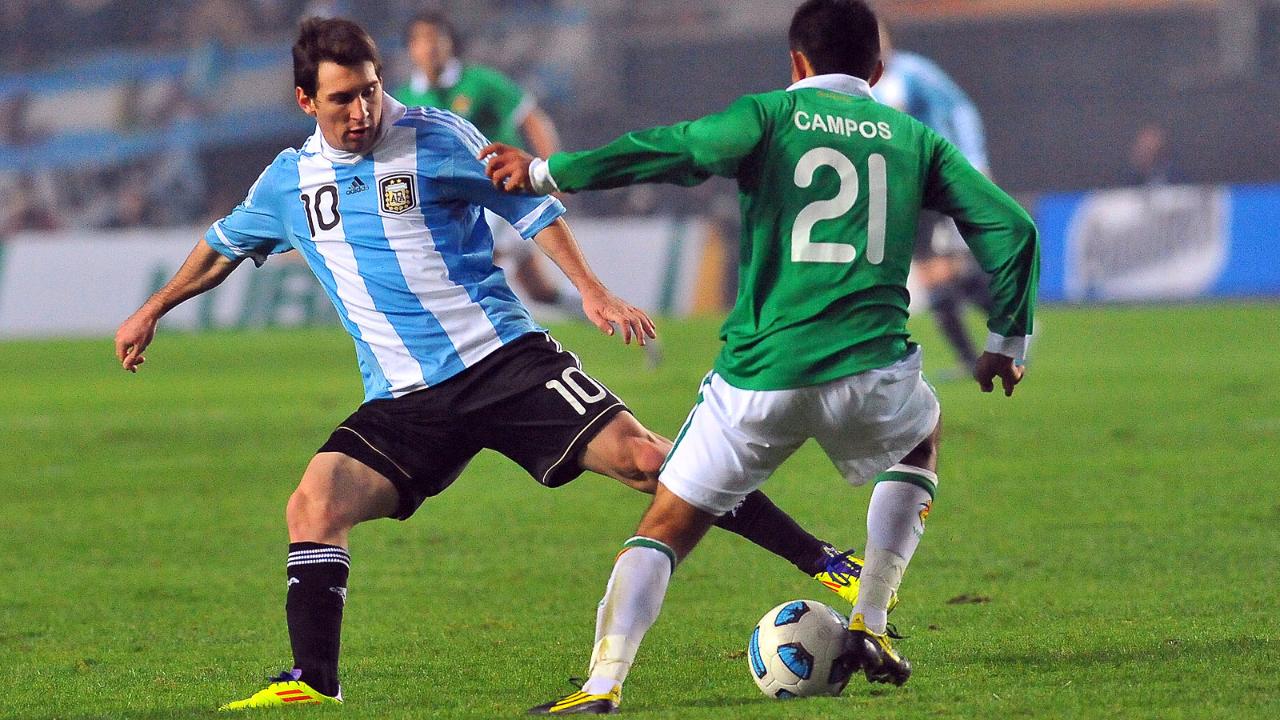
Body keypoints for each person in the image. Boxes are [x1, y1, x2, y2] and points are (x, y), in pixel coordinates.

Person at [113, 17, 876, 711]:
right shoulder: (288, 182)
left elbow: (531, 207)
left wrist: (592, 291)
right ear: (305, 100)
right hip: (404, 399)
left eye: (370, 90)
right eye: (343, 98)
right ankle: (312, 682)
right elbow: (221, 246)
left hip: (502, 360)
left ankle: (826, 562)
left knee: (649, 461)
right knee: (314, 505)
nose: (363, 110)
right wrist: (154, 309)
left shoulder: (435, 136)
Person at [483, 0, 1038, 713]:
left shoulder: (770, 115)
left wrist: (544, 171)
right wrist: (1006, 342)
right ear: (876, 69)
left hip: (761, 377)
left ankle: (602, 684)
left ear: (796, 63)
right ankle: (870, 618)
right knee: (919, 440)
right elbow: (1011, 226)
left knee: (667, 525)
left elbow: (678, 150)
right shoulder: (914, 140)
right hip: (872, 372)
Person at [392, 10, 572, 314]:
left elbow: (531, 118)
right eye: (421, 40)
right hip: (453, 202)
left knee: (474, 267)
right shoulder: (404, 98)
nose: (430, 46)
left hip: (500, 190)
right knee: (540, 291)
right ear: (411, 49)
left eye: (437, 38)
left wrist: (552, 171)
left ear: (451, 43)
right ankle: (603, 314)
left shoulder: (480, 82)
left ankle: (500, 332)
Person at [876, 24, 1000, 377]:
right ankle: (978, 354)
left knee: (940, 272)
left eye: (880, 36)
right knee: (939, 275)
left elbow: (959, 108)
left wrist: (975, 161)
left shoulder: (914, 72)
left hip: (936, 183)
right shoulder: (862, 86)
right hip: (901, 193)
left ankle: (1011, 327)